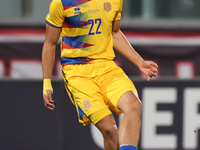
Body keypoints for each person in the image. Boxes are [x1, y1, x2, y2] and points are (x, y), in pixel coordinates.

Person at [42, 0, 158, 149]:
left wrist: (139, 62)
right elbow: (50, 43)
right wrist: (47, 82)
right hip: (77, 73)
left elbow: (114, 33)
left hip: (107, 67)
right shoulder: (61, 3)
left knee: (134, 105)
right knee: (109, 129)